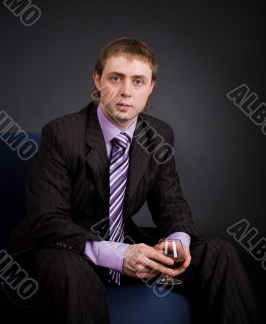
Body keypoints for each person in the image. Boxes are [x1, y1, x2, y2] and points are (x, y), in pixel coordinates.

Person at [7, 37, 263, 324]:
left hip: (126, 241)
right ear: (97, 80)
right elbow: (47, 220)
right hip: (65, 247)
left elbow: (171, 203)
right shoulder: (61, 134)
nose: (126, 91)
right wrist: (118, 255)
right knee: (71, 272)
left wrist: (176, 243)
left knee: (218, 253)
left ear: (151, 87)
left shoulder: (159, 135)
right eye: (115, 78)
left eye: (138, 81)